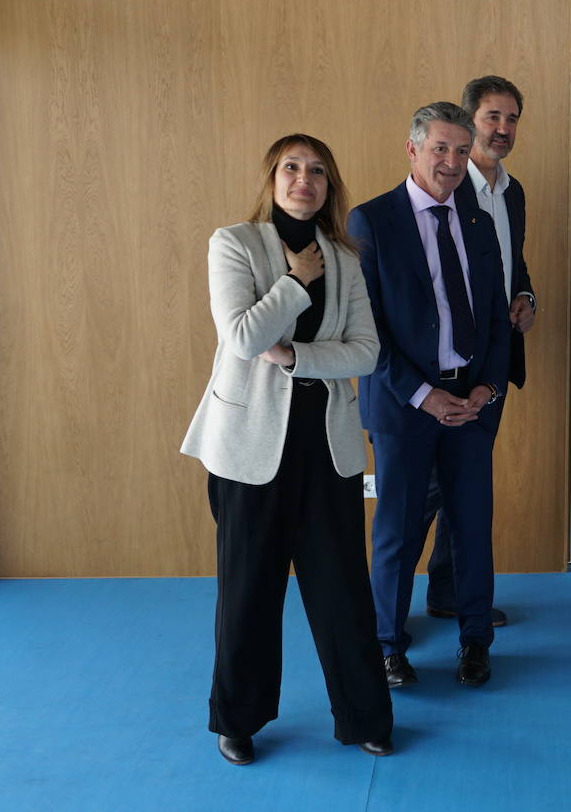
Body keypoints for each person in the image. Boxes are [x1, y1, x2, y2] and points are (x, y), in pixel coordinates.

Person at [181, 134, 393, 765]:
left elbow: (366, 351)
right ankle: (238, 721)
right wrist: (296, 283)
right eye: (292, 168)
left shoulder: (346, 258)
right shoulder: (234, 244)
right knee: (249, 590)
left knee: (342, 592)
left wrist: (299, 355)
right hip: (249, 450)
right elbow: (244, 337)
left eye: (319, 171)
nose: (305, 179)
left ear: (330, 187)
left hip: (326, 448)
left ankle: (364, 717)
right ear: (272, 178)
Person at [350, 102, 511, 689]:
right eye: (439, 148)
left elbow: (495, 315)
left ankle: (475, 643)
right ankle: (387, 646)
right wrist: (423, 396)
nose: (451, 161)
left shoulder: (477, 221)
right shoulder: (372, 220)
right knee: (397, 532)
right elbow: (365, 329)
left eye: (461, 151)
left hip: (471, 402)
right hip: (403, 406)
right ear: (412, 149)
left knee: (472, 529)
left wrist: (487, 386)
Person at [423, 76, 536, 629]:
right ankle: (383, 616)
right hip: (441, 371)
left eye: (512, 118)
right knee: (422, 495)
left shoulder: (512, 192)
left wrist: (525, 297)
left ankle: (449, 593)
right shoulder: (444, 184)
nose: (503, 129)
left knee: (465, 490)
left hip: (492, 363)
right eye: (493, 117)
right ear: (470, 123)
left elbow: (513, 264)